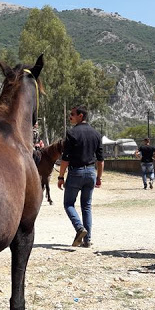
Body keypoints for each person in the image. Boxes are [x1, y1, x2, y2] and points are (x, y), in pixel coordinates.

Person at [57, 106, 104, 248]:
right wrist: (99, 178)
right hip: (90, 172)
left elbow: (65, 158)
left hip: (76, 172)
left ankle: (79, 228)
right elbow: (100, 160)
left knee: (68, 204)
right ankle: (87, 240)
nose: (70, 117)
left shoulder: (72, 133)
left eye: (72, 114)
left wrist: (60, 176)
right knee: (86, 207)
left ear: (81, 116)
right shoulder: (96, 134)